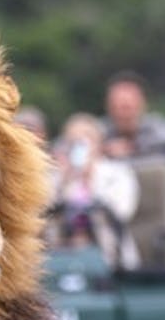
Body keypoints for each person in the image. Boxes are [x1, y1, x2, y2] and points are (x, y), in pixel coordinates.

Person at [51, 113, 140, 269]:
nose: (79, 146)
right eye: (72, 141)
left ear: (98, 143)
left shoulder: (118, 172)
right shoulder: (58, 176)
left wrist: (90, 180)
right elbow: (44, 213)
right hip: (64, 245)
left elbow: (122, 211)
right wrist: (65, 180)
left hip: (107, 248)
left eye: (85, 140)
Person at [101, 70, 165, 159]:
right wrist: (104, 150)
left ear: (143, 105)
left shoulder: (158, 128)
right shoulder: (102, 131)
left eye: (127, 107)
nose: (122, 114)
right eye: (115, 107)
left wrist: (133, 149)